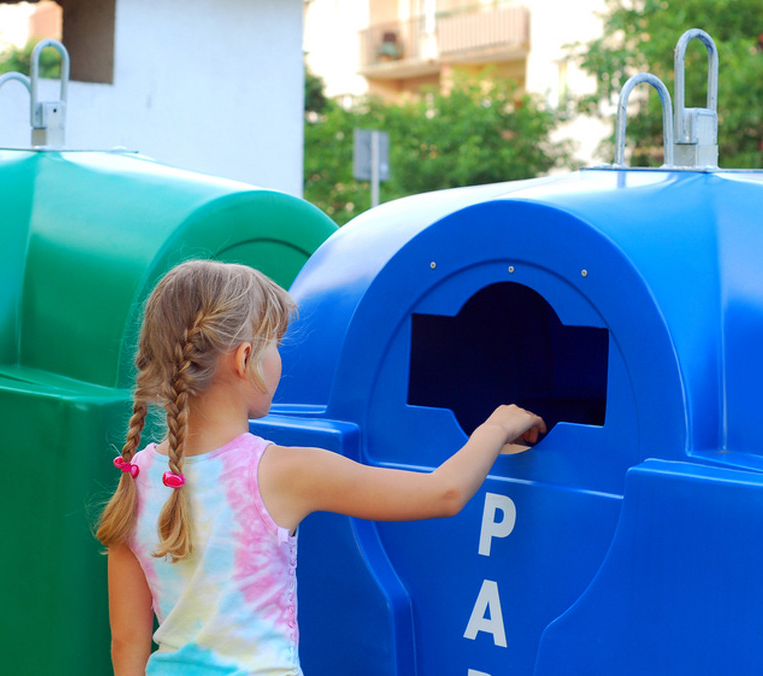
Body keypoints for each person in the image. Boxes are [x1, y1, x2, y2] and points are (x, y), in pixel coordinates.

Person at [96, 260, 545, 675]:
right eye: (275, 346)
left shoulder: (137, 478)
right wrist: (498, 425)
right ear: (245, 359)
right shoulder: (280, 472)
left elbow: (127, 643)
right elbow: (443, 493)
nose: (280, 360)